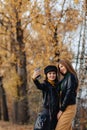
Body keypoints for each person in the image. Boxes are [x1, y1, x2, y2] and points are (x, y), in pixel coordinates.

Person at [32, 65, 60, 130]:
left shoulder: (58, 85)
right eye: (49, 73)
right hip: (47, 113)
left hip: (56, 114)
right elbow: (39, 86)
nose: (52, 75)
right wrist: (34, 79)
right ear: (46, 75)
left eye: (54, 73)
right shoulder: (45, 85)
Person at [55, 59, 79, 130]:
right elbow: (56, 88)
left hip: (69, 107)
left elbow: (69, 93)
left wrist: (61, 110)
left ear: (67, 65)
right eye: (59, 68)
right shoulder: (65, 78)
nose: (61, 69)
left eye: (62, 66)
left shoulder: (71, 76)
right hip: (66, 107)